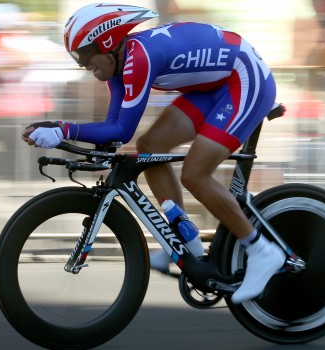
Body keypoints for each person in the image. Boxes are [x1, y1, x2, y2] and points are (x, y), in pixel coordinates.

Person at [21, 3, 285, 303]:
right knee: (150, 147)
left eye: (85, 58)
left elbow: (121, 131)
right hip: (216, 86)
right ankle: (187, 238)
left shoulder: (138, 60)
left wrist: (62, 129)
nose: (84, 67)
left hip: (245, 80)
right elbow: (113, 128)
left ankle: (262, 250)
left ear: (107, 46)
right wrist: (62, 131)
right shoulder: (118, 65)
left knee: (195, 175)